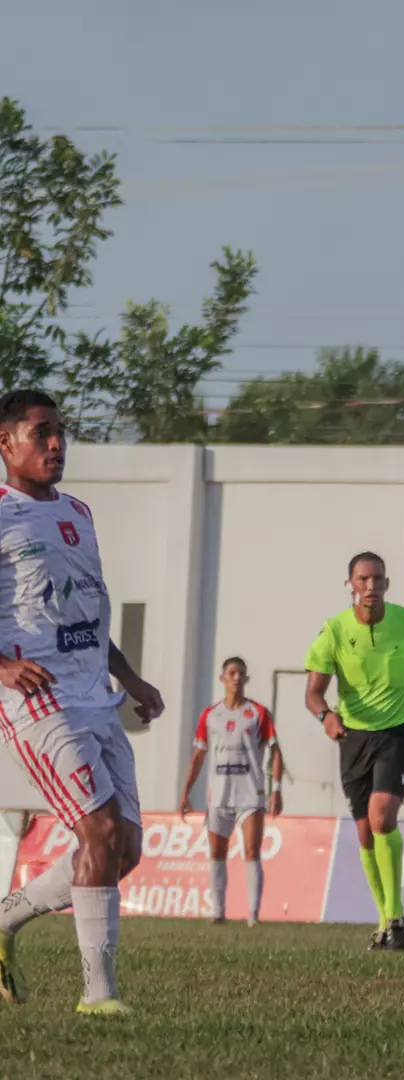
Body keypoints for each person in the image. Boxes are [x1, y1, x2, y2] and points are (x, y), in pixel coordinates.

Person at [0, 389, 166, 1015]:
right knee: (95, 828)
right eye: (40, 431)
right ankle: (99, 996)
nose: (55, 443)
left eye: (60, 432)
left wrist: (131, 677)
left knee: (122, 851)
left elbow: (88, 610)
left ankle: (7, 920)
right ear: (5, 443)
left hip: (95, 694)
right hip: (38, 702)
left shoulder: (80, 511)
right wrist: (6, 665)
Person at [304, 552, 404, 952]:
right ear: (350, 584)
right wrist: (325, 716)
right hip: (354, 737)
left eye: (377, 579)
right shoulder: (333, 630)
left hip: (401, 732)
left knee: (382, 817)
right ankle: (384, 921)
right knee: (365, 833)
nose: (370, 586)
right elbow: (313, 692)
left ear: (386, 583)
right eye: (363, 579)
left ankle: (397, 919)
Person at [179, 656, 283, 926]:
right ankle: (218, 912)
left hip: (250, 792)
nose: (237, 678)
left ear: (246, 680)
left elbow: (275, 751)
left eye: (241, 674)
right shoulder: (210, 715)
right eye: (232, 673)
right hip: (220, 793)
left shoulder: (258, 713)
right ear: (223, 678)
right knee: (217, 853)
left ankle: (252, 916)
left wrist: (276, 789)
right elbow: (199, 755)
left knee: (251, 851)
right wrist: (186, 792)